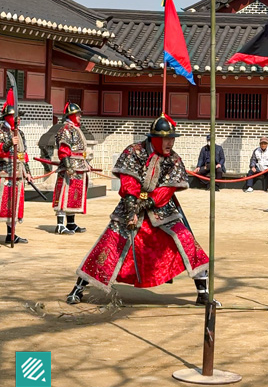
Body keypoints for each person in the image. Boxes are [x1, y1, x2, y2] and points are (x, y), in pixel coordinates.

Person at [66, 114, 212, 306]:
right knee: (109, 245)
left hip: (162, 209)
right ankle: (78, 288)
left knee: (186, 241)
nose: (171, 142)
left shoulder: (174, 159)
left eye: (172, 138)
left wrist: (145, 204)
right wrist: (131, 211)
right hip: (129, 204)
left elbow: (165, 191)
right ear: (155, 139)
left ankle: (203, 293)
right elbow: (128, 183)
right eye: (166, 138)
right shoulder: (134, 151)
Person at [0, 90, 32, 244]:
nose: (18, 120)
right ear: (8, 117)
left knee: (14, 205)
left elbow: (23, 154)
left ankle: (11, 234)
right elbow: (1, 149)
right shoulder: (1, 131)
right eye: (15, 117)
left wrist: (28, 172)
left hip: (18, 173)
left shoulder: (20, 133)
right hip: (4, 172)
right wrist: (7, 143)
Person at [53, 102, 90, 235]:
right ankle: (60, 225)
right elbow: (64, 149)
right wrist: (68, 166)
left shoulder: (75, 128)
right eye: (77, 114)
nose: (80, 116)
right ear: (71, 115)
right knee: (64, 194)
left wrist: (86, 164)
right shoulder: (66, 129)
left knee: (73, 196)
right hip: (70, 168)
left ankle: (70, 223)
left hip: (79, 167)